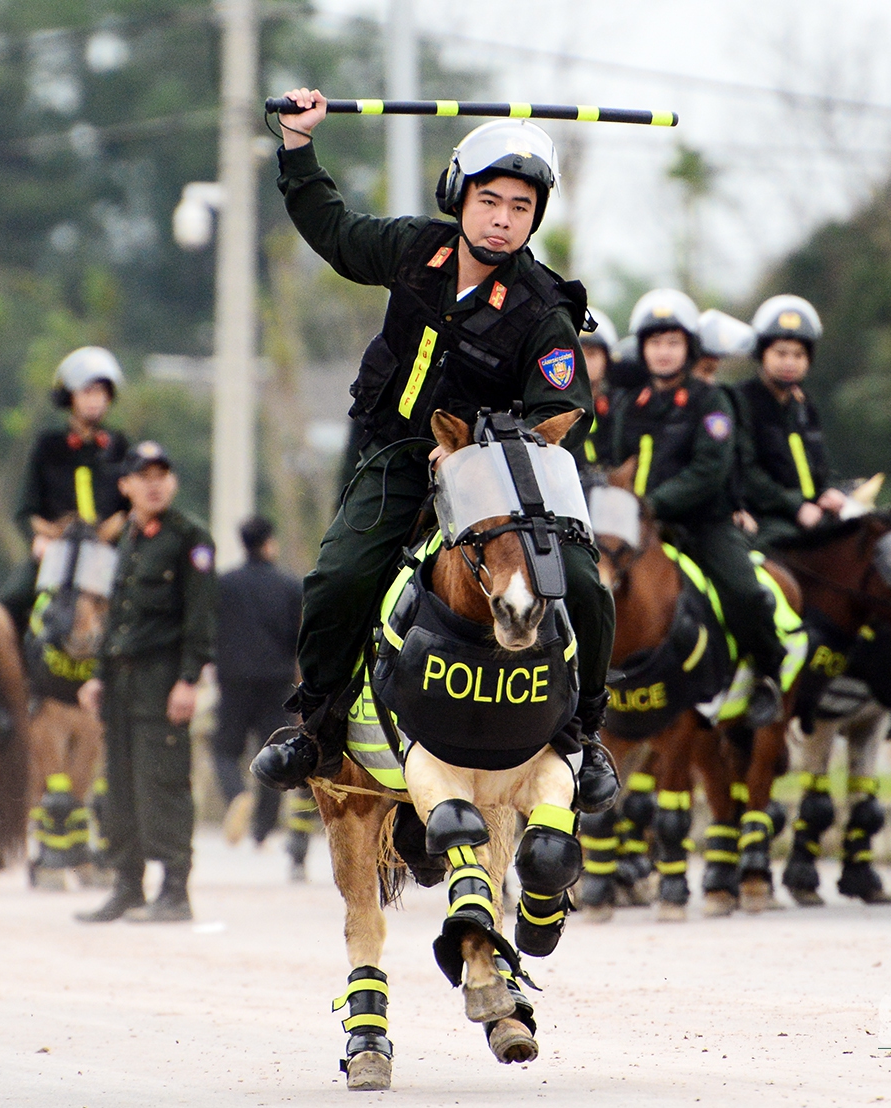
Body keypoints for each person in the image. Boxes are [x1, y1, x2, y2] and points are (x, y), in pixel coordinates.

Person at [250, 88, 616, 807]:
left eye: (520, 206)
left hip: (500, 483)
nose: (503, 218)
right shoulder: (418, 247)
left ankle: (585, 735)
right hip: (394, 456)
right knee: (336, 576)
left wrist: (474, 451)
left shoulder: (544, 309)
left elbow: (564, 414)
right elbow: (334, 230)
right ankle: (317, 724)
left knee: (587, 587)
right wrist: (297, 146)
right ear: (460, 196)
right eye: (490, 201)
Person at [611, 288, 785, 726]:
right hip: (638, 530)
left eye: (673, 343)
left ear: (688, 348)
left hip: (703, 525)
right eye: (655, 343)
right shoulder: (629, 406)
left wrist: (651, 505)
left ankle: (768, 673)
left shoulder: (713, 402)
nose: (664, 352)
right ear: (643, 349)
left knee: (746, 594)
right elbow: (616, 468)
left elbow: (710, 470)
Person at [76, 442, 215, 923]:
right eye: (144, 475)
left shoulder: (189, 537)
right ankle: (127, 885)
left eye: (163, 474)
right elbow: (115, 616)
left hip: (162, 681)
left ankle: (175, 890)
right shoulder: (126, 538)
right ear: (126, 485)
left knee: (164, 783)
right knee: (121, 787)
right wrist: (97, 675)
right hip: (119, 684)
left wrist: (189, 680)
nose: (155, 483)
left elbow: (201, 618)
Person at [4, 347, 131, 634]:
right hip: (57, 553)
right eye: (87, 392)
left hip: (107, 555)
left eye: (101, 392)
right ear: (70, 396)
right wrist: (39, 539)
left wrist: (115, 531)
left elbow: (131, 509)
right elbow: (26, 511)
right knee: (9, 601)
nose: (95, 400)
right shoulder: (48, 446)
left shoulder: (120, 446)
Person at [213, 517, 304, 855]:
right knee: (271, 753)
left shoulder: (224, 585)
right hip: (276, 682)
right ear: (268, 543)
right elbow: (299, 640)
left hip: (233, 680)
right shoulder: (290, 586)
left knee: (224, 750)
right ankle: (262, 832)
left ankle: (237, 794)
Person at [733, 294, 848, 549]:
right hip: (766, 518)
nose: (790, 363)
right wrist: (796, 507)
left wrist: (828, 491)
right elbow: (748, 473)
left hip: (814, 512)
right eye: (781, 353)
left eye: (798, 355)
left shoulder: (803, 404)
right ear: (762, 354)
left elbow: (819, 463)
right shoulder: (741, 402)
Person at [575, 306, 619, 469]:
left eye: (592, 354)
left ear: (607, 359)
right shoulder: (552, 407)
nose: (584, 362)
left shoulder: (620, 406)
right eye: (577, 353)